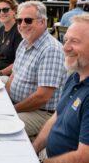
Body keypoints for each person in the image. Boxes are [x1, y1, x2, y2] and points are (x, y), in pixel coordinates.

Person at [6, 1, 67, 138]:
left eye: (28, 20)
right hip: (20, 106)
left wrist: (11, 110)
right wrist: (4, 99)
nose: (22, 25)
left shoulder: (51, 50)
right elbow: (13, 75)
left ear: (42, 22)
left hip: (41, 113)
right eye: (19, 20)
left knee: (5, 126)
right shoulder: (24, 42)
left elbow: (42, 97)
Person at [33, 14, 89, 162]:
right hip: (48, 155)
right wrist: (33, 149)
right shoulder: (75, 76)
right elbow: (57, 116)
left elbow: (84, 157)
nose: (65, 48)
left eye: (75, 41)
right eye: (65, 40)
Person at [0, 0, 22, 77]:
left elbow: (20, 62)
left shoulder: (19, 31)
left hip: (11, 76)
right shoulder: (0, 30)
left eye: (5, 10)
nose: (1, 13)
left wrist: (0, 73)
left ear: (14, 10)